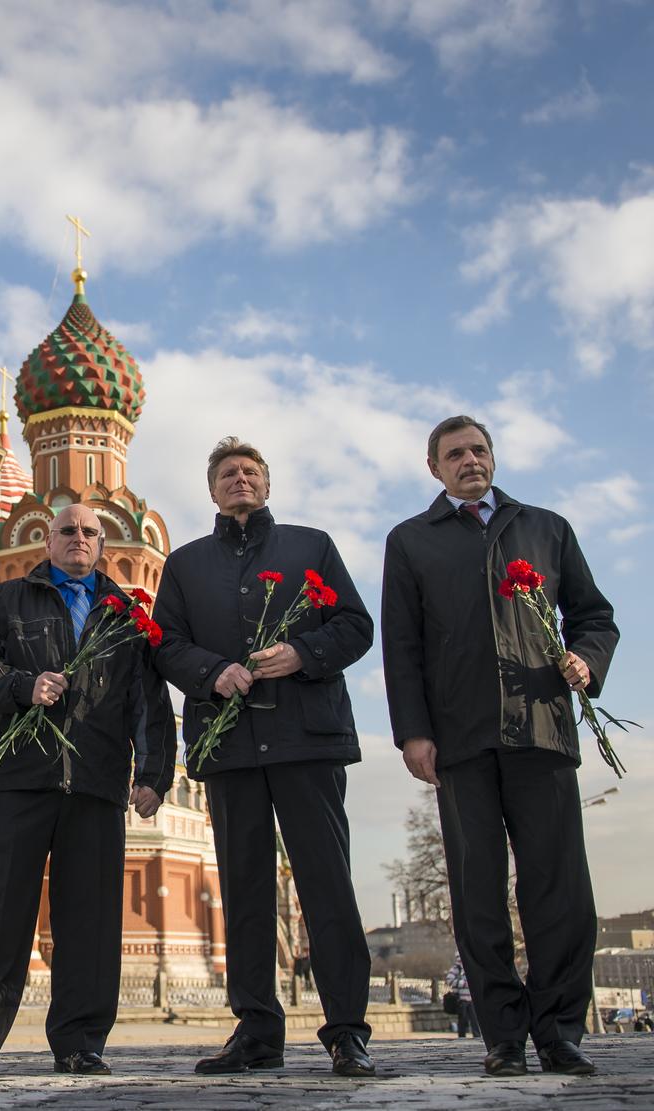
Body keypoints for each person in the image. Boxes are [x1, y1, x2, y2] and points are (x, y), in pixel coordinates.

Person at [382, 415, 619, 1078]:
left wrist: (585, 660)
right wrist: (414, 732)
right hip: (460, 740)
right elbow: (402, 647)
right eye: (455, 453)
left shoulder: (546, 527)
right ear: (435, 467)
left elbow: (594, 615)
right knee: (477, 892)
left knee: (560, 888)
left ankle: (561, 1030)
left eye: (479, 449)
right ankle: (503, 1035)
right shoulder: (411, 541)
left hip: (541, 728)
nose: (470, 460)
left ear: (493, 457)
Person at [153, 437, 376, 1078]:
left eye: (250, 471)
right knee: (245, 890)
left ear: (267, 486)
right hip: (230, 748)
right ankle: (256, 1031)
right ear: (212, 490)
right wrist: (213, 671)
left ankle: (346, 1032)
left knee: (325, 884)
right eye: (227, 473)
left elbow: (356, 626)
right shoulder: (187, 563)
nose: (239, 479)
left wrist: (303, 653)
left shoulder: (313, 546)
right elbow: (165, 643)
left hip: (308, 740)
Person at [0, 503, 176, 1081]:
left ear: (101, 542)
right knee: (3, 916)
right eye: (67, 530)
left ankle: (80, 1043)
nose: (78, 539)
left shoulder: (124, 614)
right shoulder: (6, 600)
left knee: (89, 918)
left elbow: (148, 698)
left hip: (95, 780)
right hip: (22, 776)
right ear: (47, 540)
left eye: (89, 532)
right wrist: (22, 685)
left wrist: (153, 774)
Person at [446, 952, 480, 1039]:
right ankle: (462, 1036)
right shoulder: (456, 969)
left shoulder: (471, 967)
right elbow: (449, 980)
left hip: (472, 998)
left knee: (475, 1019)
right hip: (461, 999)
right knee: (462, 1019)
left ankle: (477, 1036)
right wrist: (463, 984)